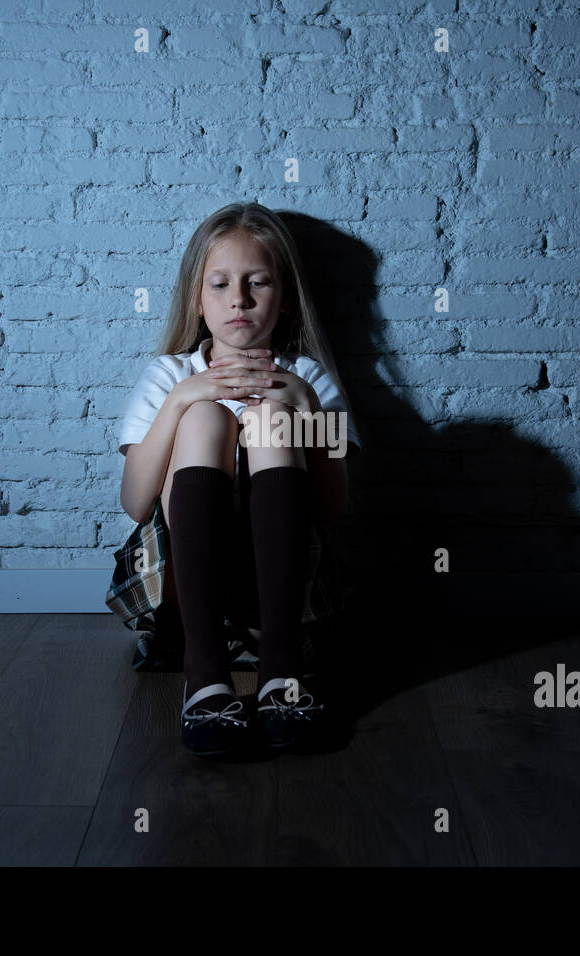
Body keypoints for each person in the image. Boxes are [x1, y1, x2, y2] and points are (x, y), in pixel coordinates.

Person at [116, 202, 361, 755]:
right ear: (198, 301)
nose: (240, 300)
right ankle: (204, 676)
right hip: (186, 589)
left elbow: (334, 506)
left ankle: (282, 670)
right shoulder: (169, 375)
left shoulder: (308, 376)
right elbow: (135, 504)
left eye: (258, 283)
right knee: (204, 416)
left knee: (272, 414)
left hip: (283, 590)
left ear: (286, 296)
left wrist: (305, 408)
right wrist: (184, 399)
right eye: (221, 284)